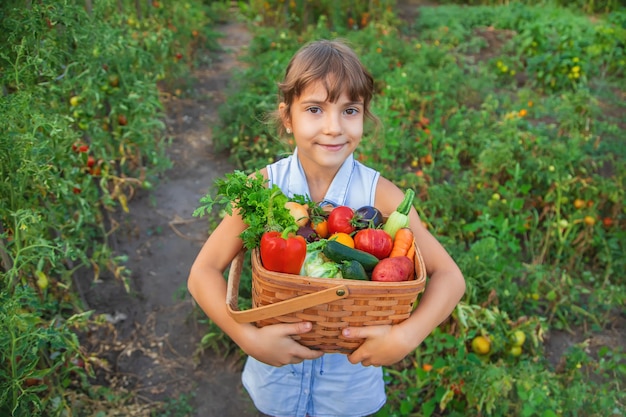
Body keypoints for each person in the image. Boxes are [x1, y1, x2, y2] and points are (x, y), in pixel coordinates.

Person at [187, 39, 465, 417]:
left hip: (350, 386)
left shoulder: (381, 195)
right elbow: (202, 273)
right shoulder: (263, 189)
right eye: (315, 109)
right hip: (276, 380)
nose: (333, 128)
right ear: (288, 117)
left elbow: (449, 276)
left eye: (350, 110)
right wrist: (248, 338)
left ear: (364, 115)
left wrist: (406, 336)